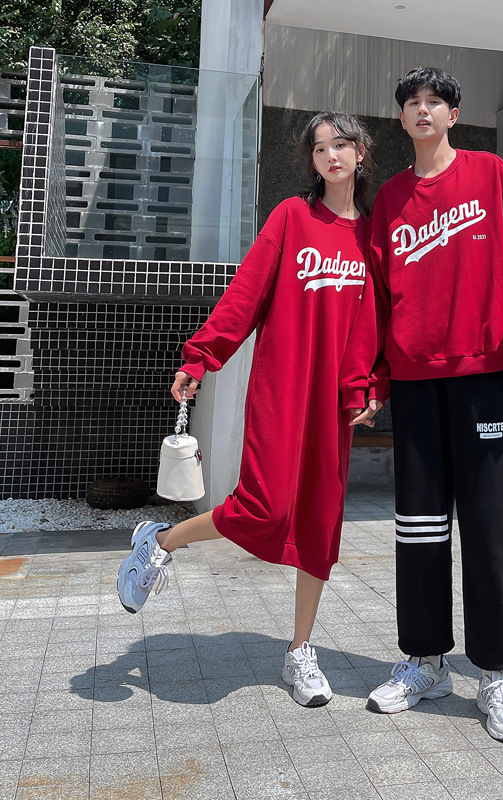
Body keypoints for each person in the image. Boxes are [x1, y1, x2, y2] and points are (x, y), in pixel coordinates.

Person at [117, 111, 380, 708]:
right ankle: (162, 540)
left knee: (320, 523)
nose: (331, 155)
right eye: (320, 148)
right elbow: (246, 293)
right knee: (264, 506)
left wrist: (370, 387)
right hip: (281, 388)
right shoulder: (291, 217)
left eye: (341, 144)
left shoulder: (373, 237)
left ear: (361, 152)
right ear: (312, 160)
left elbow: (377, 323)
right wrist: (200, 357)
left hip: (334, 402)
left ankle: (300, 651)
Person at [364, 67, 503, 742]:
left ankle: (499, 673)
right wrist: (372, 380)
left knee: (486, 525)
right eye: (412, 103)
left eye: (435, 102)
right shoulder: (390, 199)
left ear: (454, 114)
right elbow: (375, 297)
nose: (423, 111)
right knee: (419, 526)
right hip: (414, 379)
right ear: (401, 119)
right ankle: (425, 662)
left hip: (481, 373)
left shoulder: (490, 174)